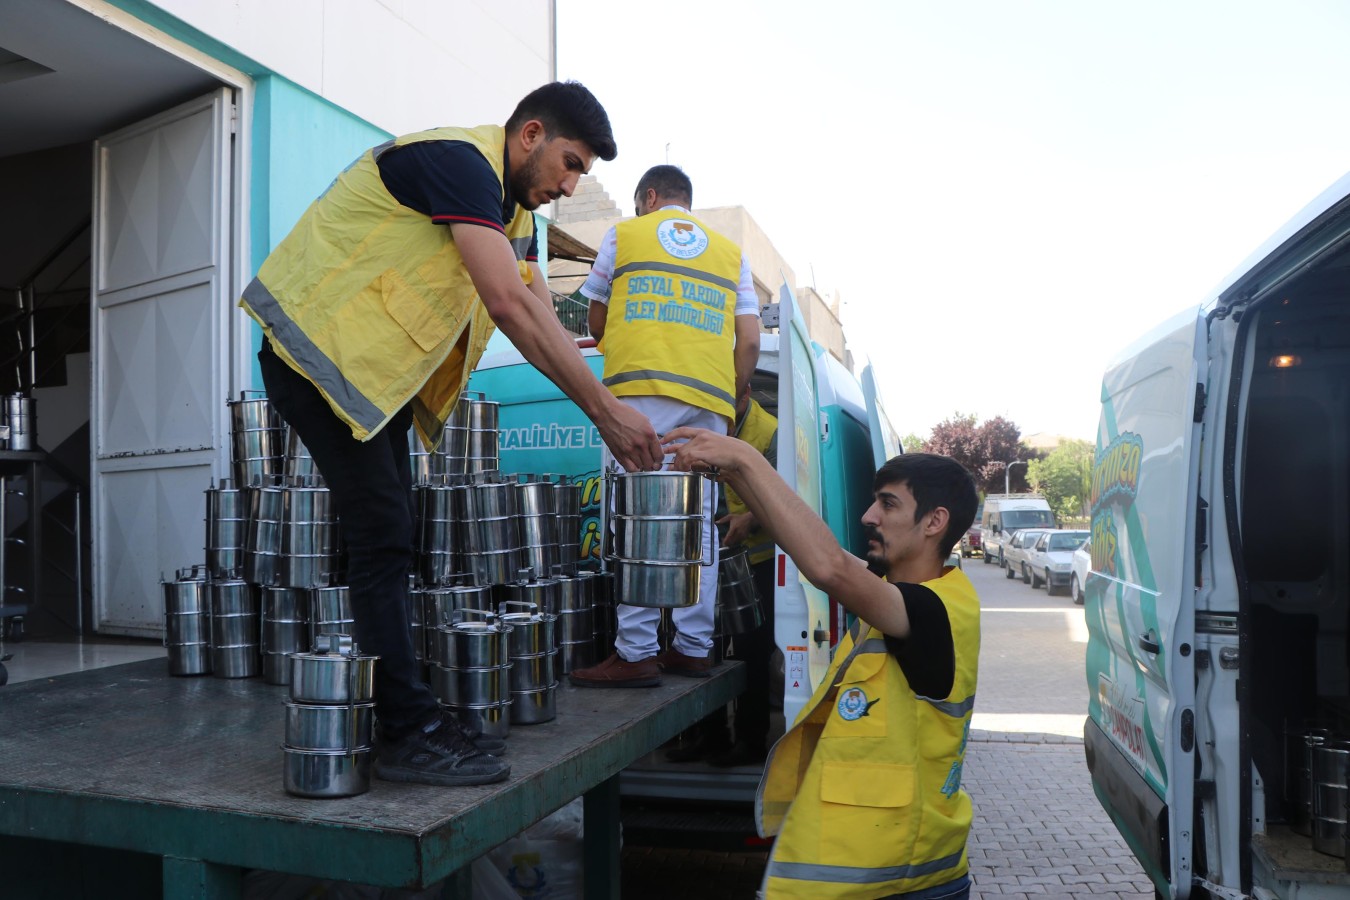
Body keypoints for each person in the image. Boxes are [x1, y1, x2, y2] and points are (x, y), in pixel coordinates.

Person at [239, 81, 664, 788]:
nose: (568, 184)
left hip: (369, 374)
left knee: (391, 530)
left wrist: (609, 400)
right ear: (529, 134)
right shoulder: (461, 163)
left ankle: (407, 714)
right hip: (315, 354)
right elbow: (508, 305)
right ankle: (405, 729)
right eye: (569, 163)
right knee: (383, 533)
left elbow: (534, 308)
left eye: (581, 174)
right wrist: (604, 412)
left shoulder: (515, 215)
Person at [662, 433, 981, 900]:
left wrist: (746, 457)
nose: (868, 517)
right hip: (891, 873)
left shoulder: (935, 611)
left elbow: (828, 567)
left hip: (902, 880)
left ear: (935, 522)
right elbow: (808, 548)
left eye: (887, 505)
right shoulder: (899, 593)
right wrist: (736, 475)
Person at [567, 165, 761, 688]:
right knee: (696, 522)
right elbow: (749, 341)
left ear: (648, 197)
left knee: (636, 515)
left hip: (641, 392)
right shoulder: (730, 254)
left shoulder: (624, 235)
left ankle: (636, 651)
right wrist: (735, 394)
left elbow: (597, 323)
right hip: (711, 403)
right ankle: (694, 647)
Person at [665, 387, 778, 764]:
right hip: (708, 558)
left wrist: (751, 517)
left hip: (756, 561)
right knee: (705, 648)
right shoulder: (702, 423)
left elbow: (788, 496)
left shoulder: (771, 431)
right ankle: (711, 735)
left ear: (745, 391)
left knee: (751, 653)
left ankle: (750, 740)